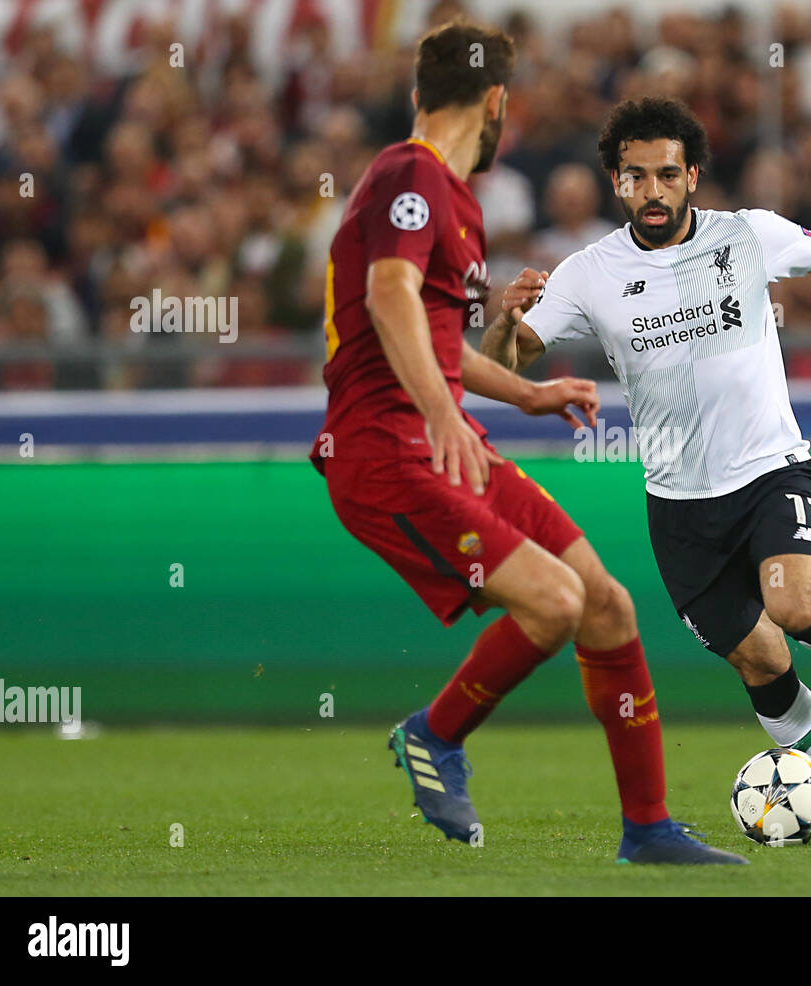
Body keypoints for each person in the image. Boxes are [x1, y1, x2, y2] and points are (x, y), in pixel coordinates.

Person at [483, 96, 811, 839]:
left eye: (666, 175)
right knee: (760, 658)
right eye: (636, 177)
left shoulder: (747, 236)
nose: (652, 191)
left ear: (693, 176)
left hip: (772, 470)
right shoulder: (587, 274)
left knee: (796, 606)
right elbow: (505, 369)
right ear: (616, 182)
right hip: (678, 502)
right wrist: (504, 324)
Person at [312, 27, 742, 865]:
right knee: (553, 603)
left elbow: (435, 340)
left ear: (419, 94)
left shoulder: (454, 198)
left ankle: (648, 829)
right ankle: (433, 735)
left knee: (606, 603)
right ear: (499, 102)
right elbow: (392, 296)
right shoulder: (410, 175)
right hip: (384, 450)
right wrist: (440, 413)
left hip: (438, 435)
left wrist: (527, 390)